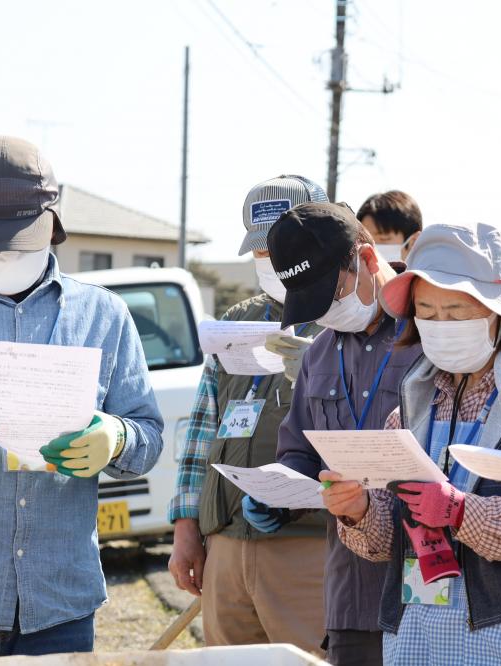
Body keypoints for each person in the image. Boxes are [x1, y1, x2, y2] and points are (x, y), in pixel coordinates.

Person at [321, 222, 501, 665]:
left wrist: (461, 512)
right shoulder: (409, 409)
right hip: (419, 633)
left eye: (456, 312)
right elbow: (387, 540)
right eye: (426, 311)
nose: (439, 324)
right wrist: (357, 511)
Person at [0, 136, 164, 656]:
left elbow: (148, 436)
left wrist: (116, 436)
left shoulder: (104, 316)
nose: (0, 252)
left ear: (51, 223)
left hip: (61, 601)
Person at [247, 201, 422, 665]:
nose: (325, 314)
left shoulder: (433, 329)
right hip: (352, 597)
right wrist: (276, 491)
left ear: (364, 258)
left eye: (331, 294)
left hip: (431, 592)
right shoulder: (319, 355)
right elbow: (299, 449)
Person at [166, 175, 327, 651]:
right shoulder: (235, 321)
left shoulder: (349, 321)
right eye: (260, 250)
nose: (270, 261)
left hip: (309, 544)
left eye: (281, 246)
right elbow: (201, 431)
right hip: (226, 545)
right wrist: (186, 529)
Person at [357, 190, 423, 262]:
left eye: (383, 239)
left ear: (413, 243)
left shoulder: (432, 272)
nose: (369, 248)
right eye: (364, 241)